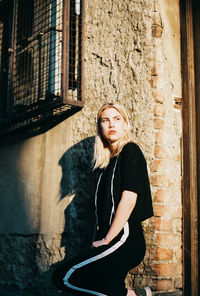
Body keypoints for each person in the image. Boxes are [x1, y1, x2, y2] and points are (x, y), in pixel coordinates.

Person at [52, 102, 154, 296]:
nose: (111, 124)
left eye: (117, 119)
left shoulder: (130, 151)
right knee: (106, 289)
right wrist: (98, 240)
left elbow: (129, 199)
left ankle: (134, 295)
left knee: (63, 277)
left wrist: (107, 239)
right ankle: (139, 294)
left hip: (125, 238)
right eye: (105, 120)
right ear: (100, 127)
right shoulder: (106, 165)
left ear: (125, 124)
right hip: (109, 238)